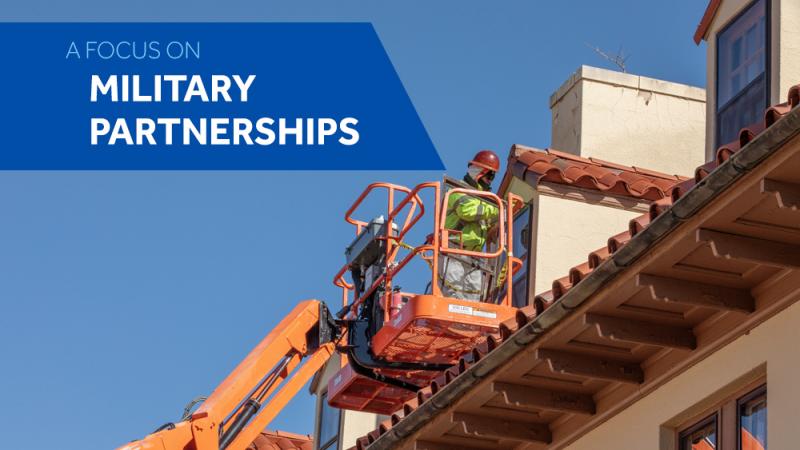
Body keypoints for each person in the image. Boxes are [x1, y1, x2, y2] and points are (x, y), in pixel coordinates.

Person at [439, 150, 501, 301]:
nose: (490, 181)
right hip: (453, 251)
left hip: (475, 256)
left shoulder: (486, 200)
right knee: (452, 295)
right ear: (479, 172)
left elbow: (490, 226)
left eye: (493, 177)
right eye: (489, 175)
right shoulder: (456, 189)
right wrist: (498, 210)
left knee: (473, 299)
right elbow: (467, 211)